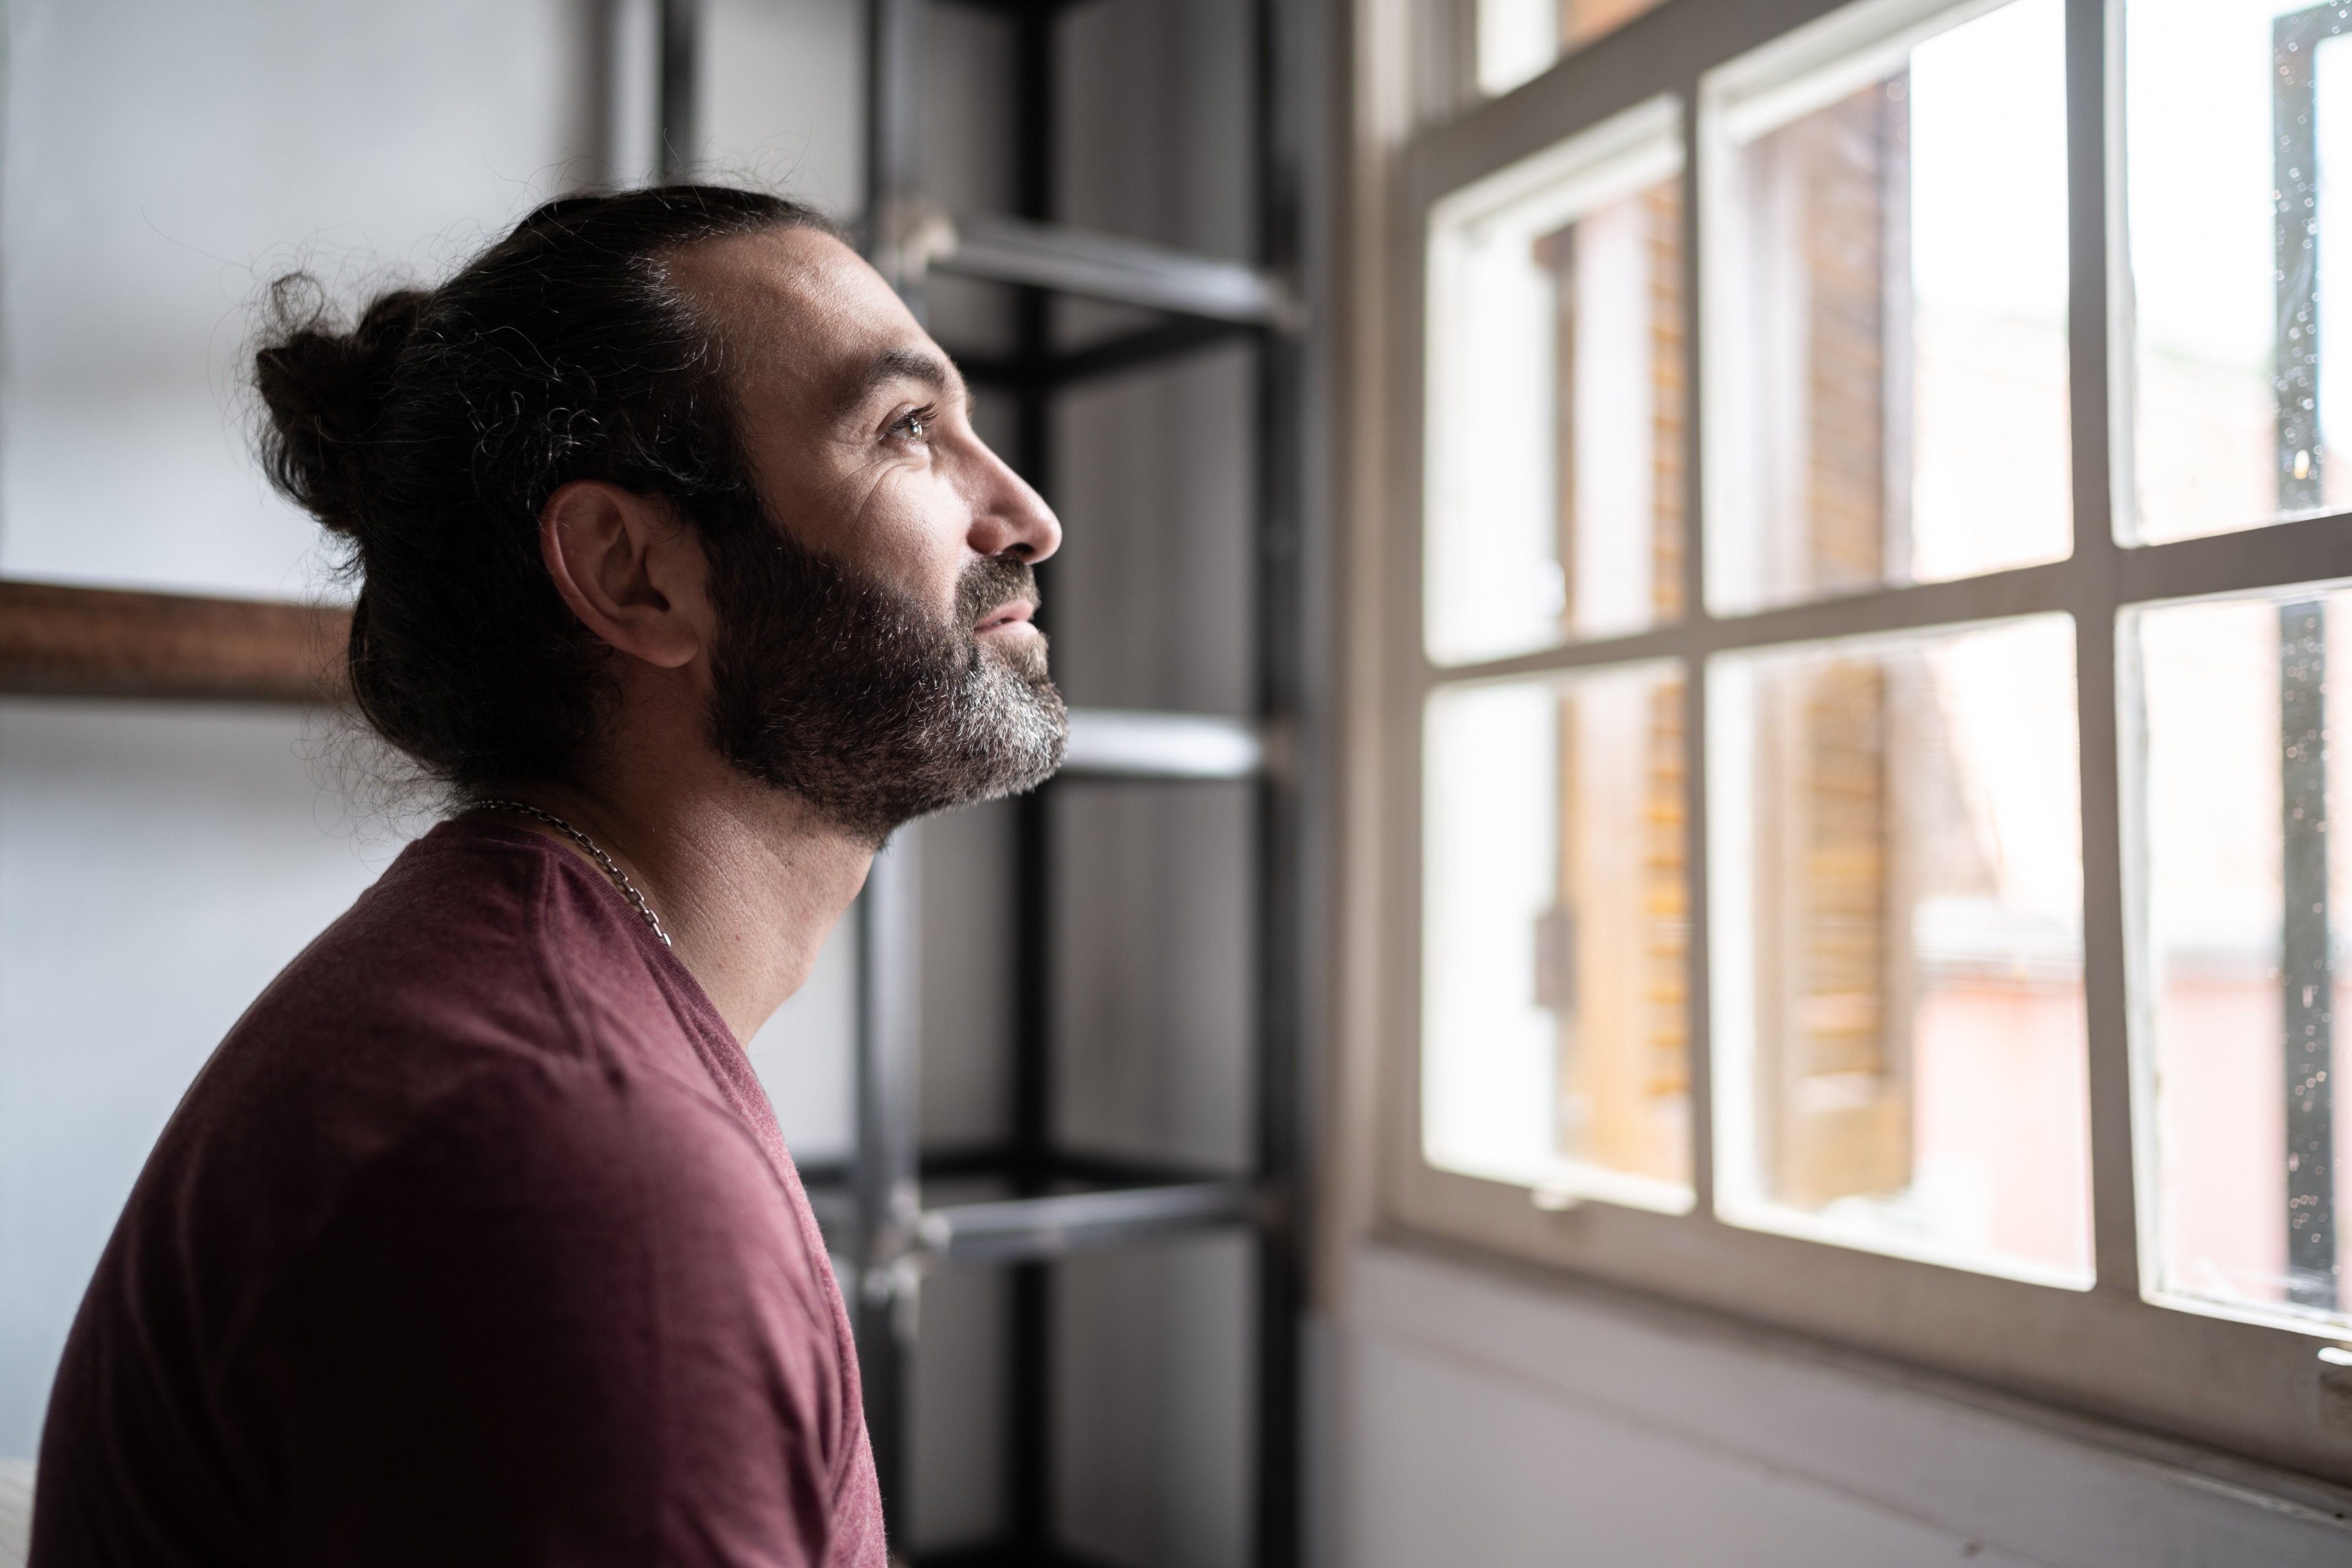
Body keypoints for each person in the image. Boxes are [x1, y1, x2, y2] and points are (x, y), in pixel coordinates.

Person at [28, 185, 1065, 1567]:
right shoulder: (580, 1168)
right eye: (906, 430)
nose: (1026, 516)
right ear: (633, 575)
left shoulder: (530, 1005)